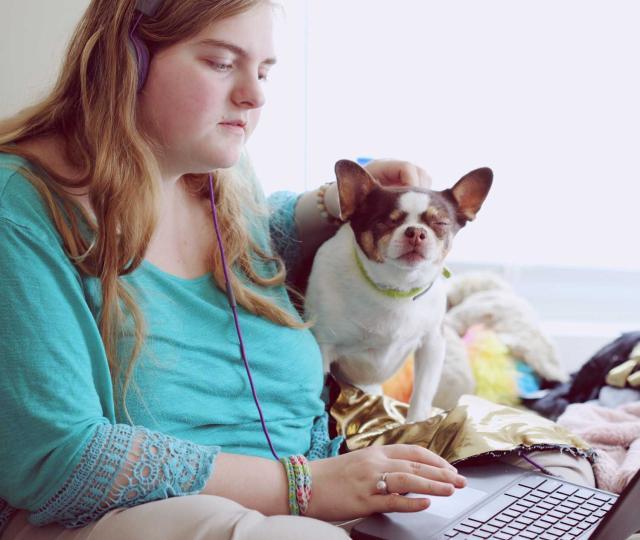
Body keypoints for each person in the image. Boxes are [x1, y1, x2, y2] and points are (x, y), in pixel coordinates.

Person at [0, 1, 468, 538]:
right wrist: (305, 487)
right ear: (127, 61)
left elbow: (257, 248)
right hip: (120, 517)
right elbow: (57, 457)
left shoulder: (216, 170)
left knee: (536, 477)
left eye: (265, 71)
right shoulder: (20, 209)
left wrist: (340, 203)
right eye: (223, 63)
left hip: (314, 489)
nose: (256, 95)